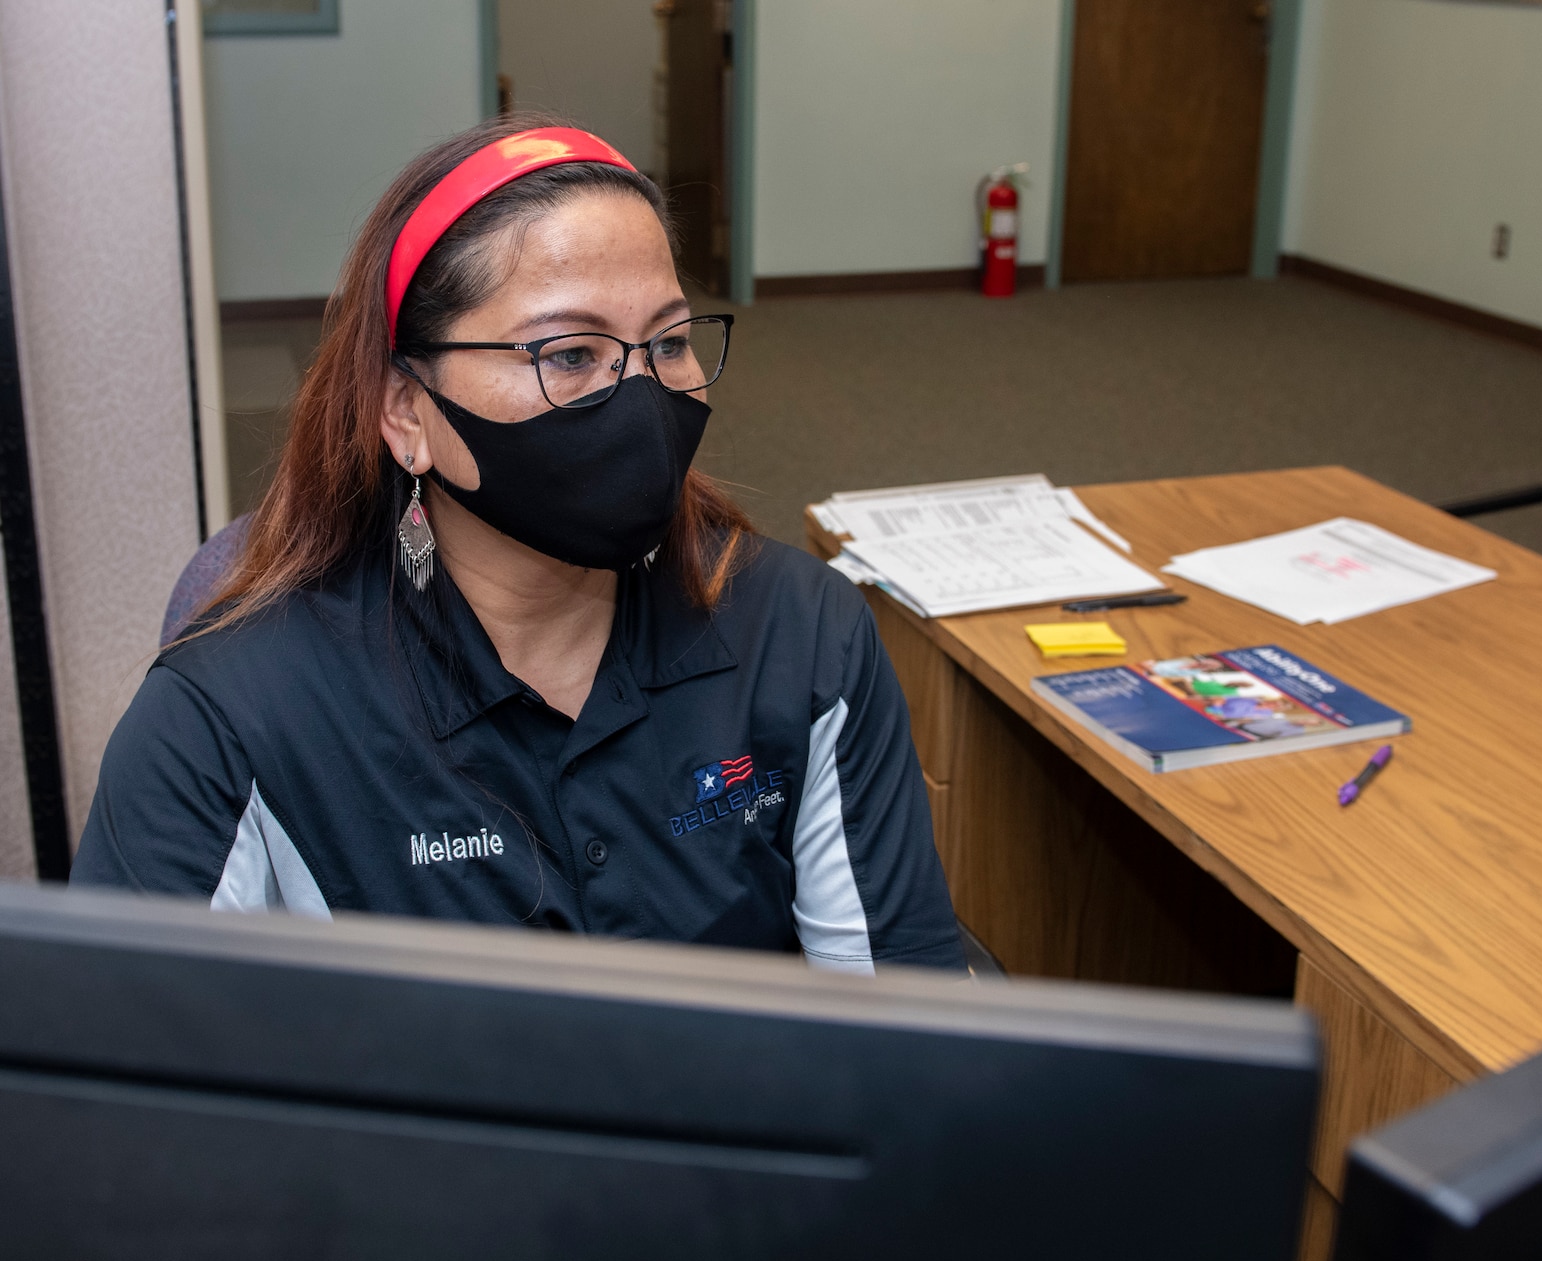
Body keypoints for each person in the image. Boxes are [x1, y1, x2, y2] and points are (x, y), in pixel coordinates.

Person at [72, 118, 965, 974]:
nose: (643, 392)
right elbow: (127, 1096)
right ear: (406, 411)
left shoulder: (804, 634)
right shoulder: (229, 717)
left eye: (672, 341)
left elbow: (905, 1027)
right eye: (569, 353)